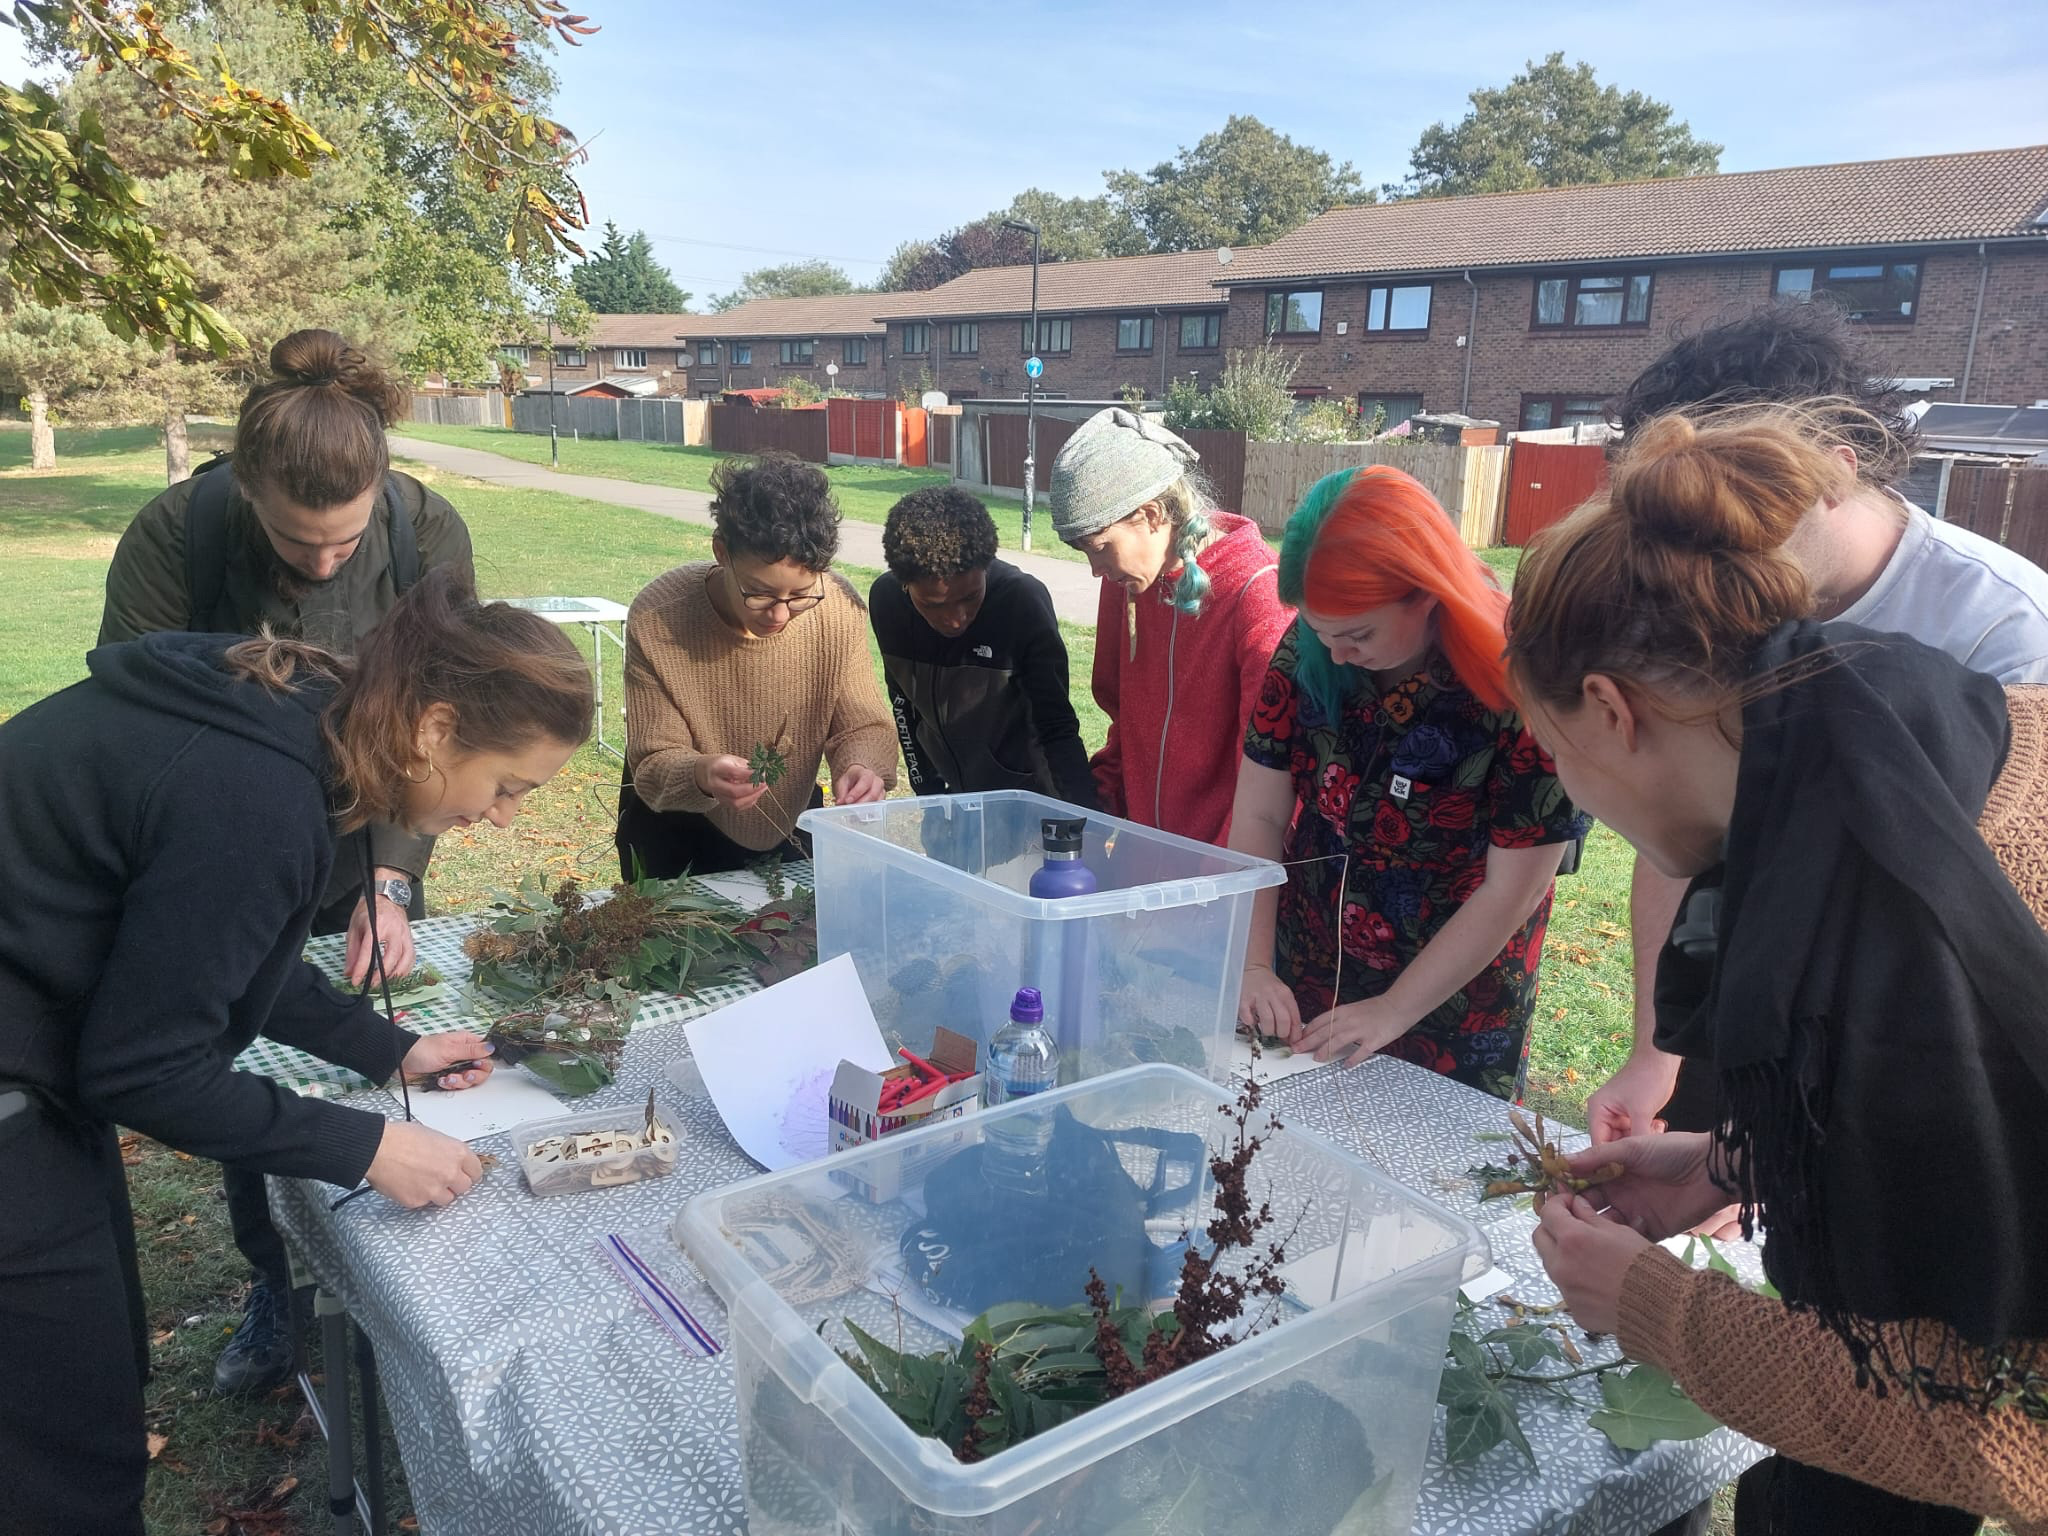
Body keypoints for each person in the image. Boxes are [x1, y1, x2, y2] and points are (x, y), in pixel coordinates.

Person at [1507, 407, 2048, 1536]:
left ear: (1609, 711)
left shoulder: (1911, 952)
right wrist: (1734, 1156)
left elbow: (2000, 1425)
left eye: (1555, 752)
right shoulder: (1924, 741)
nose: (1567, 788)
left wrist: (1656, 1311)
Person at [0, 568, 594, 1536]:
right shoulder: (260, 795)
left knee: (104, 1379)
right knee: (71, 1461)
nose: (504, 817)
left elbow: (218, 946)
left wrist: (383, 1048)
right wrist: (367, 1146)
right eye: (507, 786)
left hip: (37, 1063)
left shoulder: (308, 720)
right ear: (436, 729)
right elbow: (144, 1068)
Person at [97, 328, 479, 1394]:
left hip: (377, 817)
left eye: (344, 542)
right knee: (228, 1041)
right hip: (216, 829)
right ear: (247, 488)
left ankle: (395, 1260)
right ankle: (278, 1276)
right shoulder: (181, 528)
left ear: (382, 497)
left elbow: (441, 707)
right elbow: (134, 703)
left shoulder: (425, 526)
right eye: (297, 541)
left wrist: (392, 878)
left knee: (369, 1031)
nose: (322, 561)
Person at [1583, 304, 2048, 1146]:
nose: (1697, 559)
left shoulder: (2007, 634)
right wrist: (1659, 1050)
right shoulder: (1718, 594)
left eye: (1734, 497)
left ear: (1834, 472)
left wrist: (1782, 1151)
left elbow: (1976, 962)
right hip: (1738, 1004)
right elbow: (1683, 837)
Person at [1227, 466, 1587, 1099]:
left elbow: (1514, 889)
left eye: (1358, 633)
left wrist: (1395, 1009)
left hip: (1453, 996)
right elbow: (1257, 816)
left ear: (1427, 593)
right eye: (1320, 630)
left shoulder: (1524, 684)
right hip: (1309, 958)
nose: (1336, 654)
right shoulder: (1309, 649)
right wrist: (1254, 963)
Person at [617, 452, 896, 878]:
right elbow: (653, 764)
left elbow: (863, 725)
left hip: (792, 821)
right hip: (674, 831)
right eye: (760, 594)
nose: (779, 615)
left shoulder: (839, 609)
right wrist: (701, 773)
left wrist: (862, 766)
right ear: (721, 552)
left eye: (801, 596)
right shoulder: (659, 616)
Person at [1049, 408, 1292, 844]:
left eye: (1100, 547)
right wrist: (1099, 805)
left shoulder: (1258, 591)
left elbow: (1269, 769)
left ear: (1153, 514)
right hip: (1142, 865)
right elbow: (1122, 719)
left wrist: (1213, 875)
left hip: (1221, 874)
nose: (1094, 569)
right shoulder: (1126, 586)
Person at [869, 485, 1096, 807]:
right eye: (933, 605)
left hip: (1026, 800)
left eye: (970, 597)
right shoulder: (887, 602)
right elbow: (905, 704)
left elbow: (1056, 725)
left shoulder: (1021, 601)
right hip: (952, 799)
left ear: (986, 568)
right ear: (904, 585)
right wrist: (929, 797)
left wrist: (1080, 818)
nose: (956, 619)